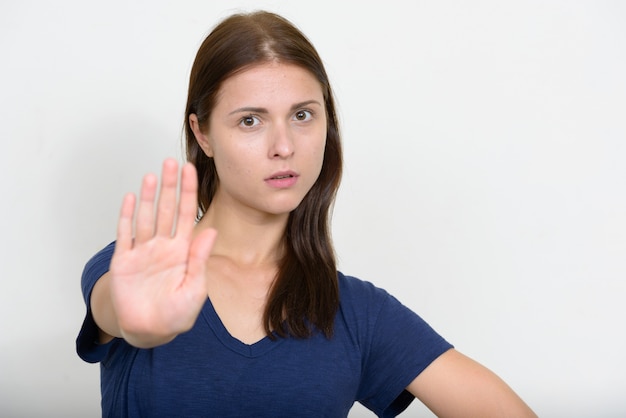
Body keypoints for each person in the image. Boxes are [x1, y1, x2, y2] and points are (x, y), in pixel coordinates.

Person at [76, 10, 537, 418]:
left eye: (302, 115)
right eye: (250, 120)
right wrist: (129, 317)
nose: (284, 147)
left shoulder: (357, 312)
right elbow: (116, 304)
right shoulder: (141, 268)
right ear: (203, 134)